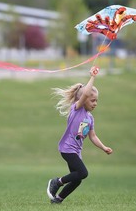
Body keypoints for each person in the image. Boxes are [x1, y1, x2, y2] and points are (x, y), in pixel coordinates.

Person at [46, 66, 113, 204]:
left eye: (96, 101)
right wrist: (93, 76)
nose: (95, 103)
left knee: (77, 179)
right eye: (92, 100)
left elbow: (93, 136)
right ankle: (56, 182)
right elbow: (86, 93)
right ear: (83, 99)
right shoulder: (77, 109)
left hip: (76, 151)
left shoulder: (90, 118)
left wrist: (103, 147)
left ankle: (58, 199)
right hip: (67, 148)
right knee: (83, 173)